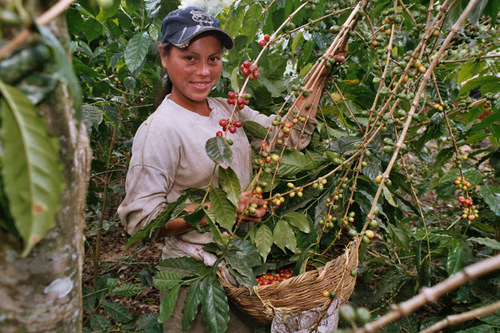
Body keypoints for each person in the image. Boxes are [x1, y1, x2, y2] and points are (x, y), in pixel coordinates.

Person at [117, 6, 339, 333]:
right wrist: (225, 210)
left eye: (214, 59)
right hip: (192, 277)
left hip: (240, 267)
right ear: (165, 57)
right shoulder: (160, 130)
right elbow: (141, 221)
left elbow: (288, 136)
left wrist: (322, 73)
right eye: (190, 58)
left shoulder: (227, 109)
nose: (204, 71)